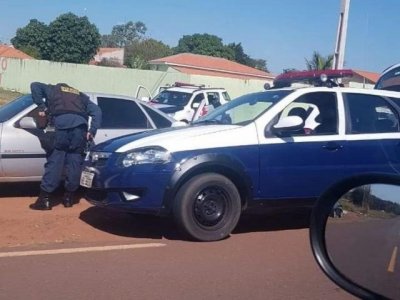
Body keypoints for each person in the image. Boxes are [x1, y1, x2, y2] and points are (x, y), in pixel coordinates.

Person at [29, 82, 102, 210]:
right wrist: (92, 131)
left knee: (55, 161)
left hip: (62, 127)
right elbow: (97, 111)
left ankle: (44, 200)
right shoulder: (80, 95)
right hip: (80, 130)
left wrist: (42, 107)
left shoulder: (53, 89)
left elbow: (34, 85)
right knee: (75, 162)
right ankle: (69, 198)